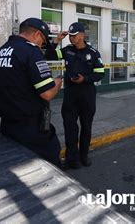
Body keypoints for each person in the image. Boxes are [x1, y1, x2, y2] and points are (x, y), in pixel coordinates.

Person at [0, 18, 63, 167]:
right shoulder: (31, 52)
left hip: (7, 124)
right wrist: (57, 83)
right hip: (30, 127)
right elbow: (47, 93)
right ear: (36, 34)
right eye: (42, 41)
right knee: (50, 163)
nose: (41, 46)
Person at [44, 22, 105, 169]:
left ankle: (84, 156)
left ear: (82, 35)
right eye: (70, 36)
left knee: (86, 127)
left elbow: (100, 73)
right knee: (70, 127)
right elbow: (49, 54)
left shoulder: (93, 52)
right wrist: (57, 40)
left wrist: (85, 79)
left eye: (74, 35)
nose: (71, 38)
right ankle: (72, 159)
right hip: (71, 94)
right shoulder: (67, 51)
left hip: (87, 94)